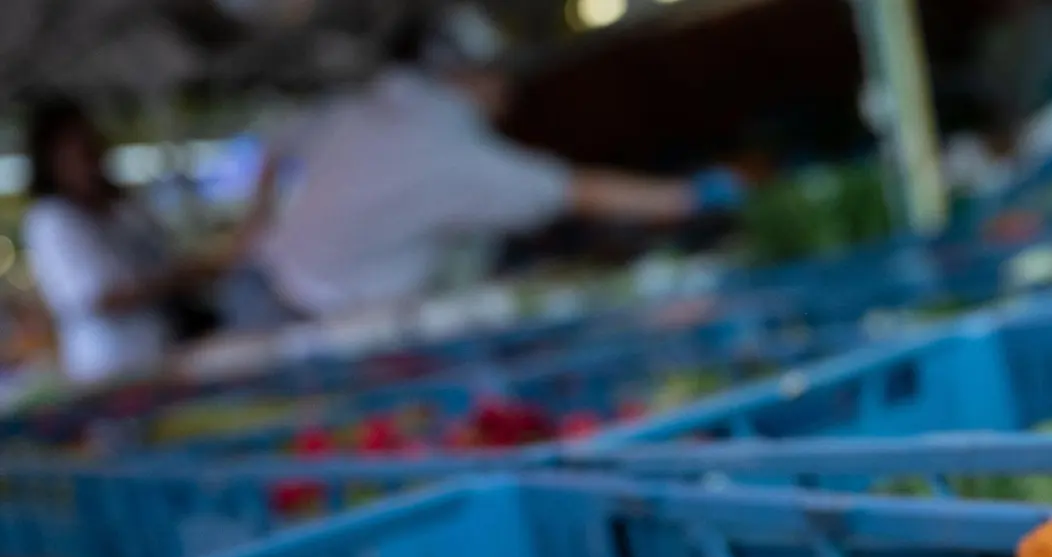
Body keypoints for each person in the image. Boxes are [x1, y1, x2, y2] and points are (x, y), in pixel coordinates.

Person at [238, 9, 742, 324]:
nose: (507, 88)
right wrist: (692, 196)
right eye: (497, 74)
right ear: (466, 75)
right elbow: (579, 191)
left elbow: (277, 144)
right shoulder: (453, 157)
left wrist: (256, 222)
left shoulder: (388, 97)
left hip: (259, 277)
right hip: (311, 317)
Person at [21, 100, 229, 384]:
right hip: (109, 368)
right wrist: (179, 279)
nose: (92, 160)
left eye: (93, 147)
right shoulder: (52, 219)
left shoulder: (122, 209)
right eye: (80, 151)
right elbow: (100, 298)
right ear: (52, 160)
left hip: (163, 351)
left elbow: (166, 257)